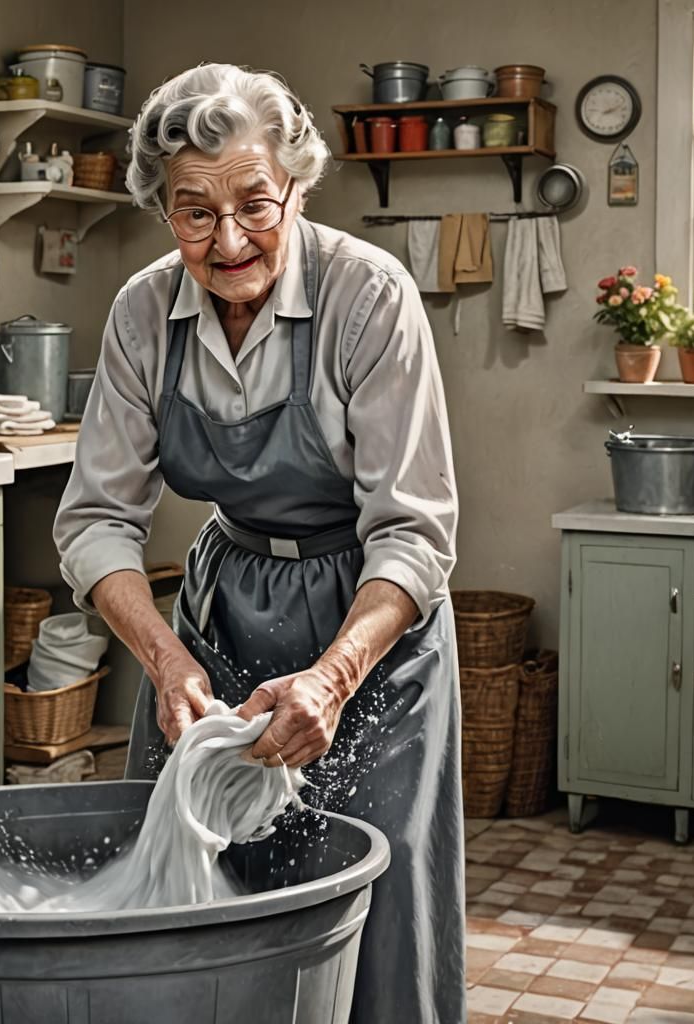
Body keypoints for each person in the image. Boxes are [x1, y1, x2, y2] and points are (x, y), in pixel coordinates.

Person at [54, 63, 464, 1023]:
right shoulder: (144, 314)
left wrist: (329, 678)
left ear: (298, 187)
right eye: (194, 212)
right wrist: (164, 660)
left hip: (373, 633)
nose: (228, 240)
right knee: (188, 881)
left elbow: (413, 529)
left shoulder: (369, 298)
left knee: (374, 898)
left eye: (254, 204)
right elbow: (94, 520)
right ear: (163, 212)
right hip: (219, 617)